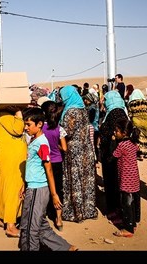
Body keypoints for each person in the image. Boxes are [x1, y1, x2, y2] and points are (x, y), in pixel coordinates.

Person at [19, 107, 77, 251]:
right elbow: (33, 167)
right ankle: (65, 247)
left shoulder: (42, 143)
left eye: (28, 125)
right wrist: (24, 185)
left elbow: (48, 169)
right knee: (39, 224)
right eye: (25, 124)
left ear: (39, 124)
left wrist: (54, 194)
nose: (26, 128)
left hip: (38, 190)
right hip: (33, 187)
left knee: (31, 227)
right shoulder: (35, 140)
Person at [59, 85, 97, 223]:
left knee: (75, 179)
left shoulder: (71, 111)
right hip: (85, 149)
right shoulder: (82, 109)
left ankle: (76, 212)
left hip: (74, 151)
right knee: (85, 179)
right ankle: (87, 209)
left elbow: (66, 132)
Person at [0, 106, 27, 238]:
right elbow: (18, 129)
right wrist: (18, 112)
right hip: (11, 158)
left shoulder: (2, 115)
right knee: (13, 188)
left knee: (5, 187)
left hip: (8, 157)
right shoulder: (5, 115)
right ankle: (11, 226)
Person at [99, 90, 129, 222]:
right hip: (113, 155)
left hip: (113, 156)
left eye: (105, 100)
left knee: (114, 183)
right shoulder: (117, 111)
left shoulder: (115, 113)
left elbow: (117, 136)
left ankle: (116, 212)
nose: (104, 102)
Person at [112, 118, 141, 238]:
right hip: (134, 178)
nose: (114, 133)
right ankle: (133, 222)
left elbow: (114, 156)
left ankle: (128, 229)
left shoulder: (122, 145)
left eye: (116, 131)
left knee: (126, 203)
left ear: (123, 133)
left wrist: (113, 142)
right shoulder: (133, 143)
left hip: (125, 179)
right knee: (133, 201)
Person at [41, 100, 67, 231]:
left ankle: (43, 215)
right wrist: (56, 146)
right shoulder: (59, 128)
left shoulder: (40, 129)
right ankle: (59, 219)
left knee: (44, 188)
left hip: (43, 162)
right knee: (58, 189)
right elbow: (65, 148)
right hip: (57, 162)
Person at [127, 89, 147, 160]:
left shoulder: (131, 103)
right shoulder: (145, 102)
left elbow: (130, 114)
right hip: (146, 121)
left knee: (138, 138)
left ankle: (140, 154)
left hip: (136, 121)